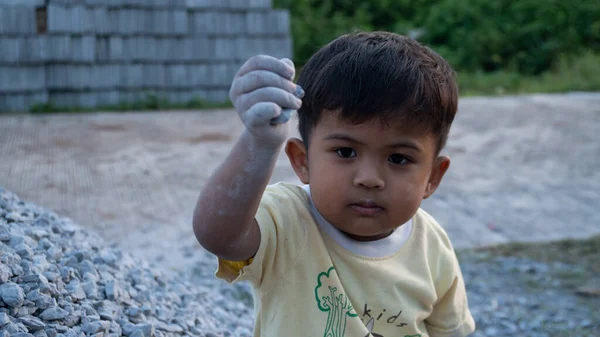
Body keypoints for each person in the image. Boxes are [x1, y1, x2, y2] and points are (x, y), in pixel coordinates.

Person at [192, 30, 476, 337]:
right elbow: (219, 236)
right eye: (345, 152)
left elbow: (451, 332)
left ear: (432, 177)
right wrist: (260, 143)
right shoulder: (288, 219)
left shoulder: (432, 244)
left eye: (398, 158)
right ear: (303, 161)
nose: (369, 179)